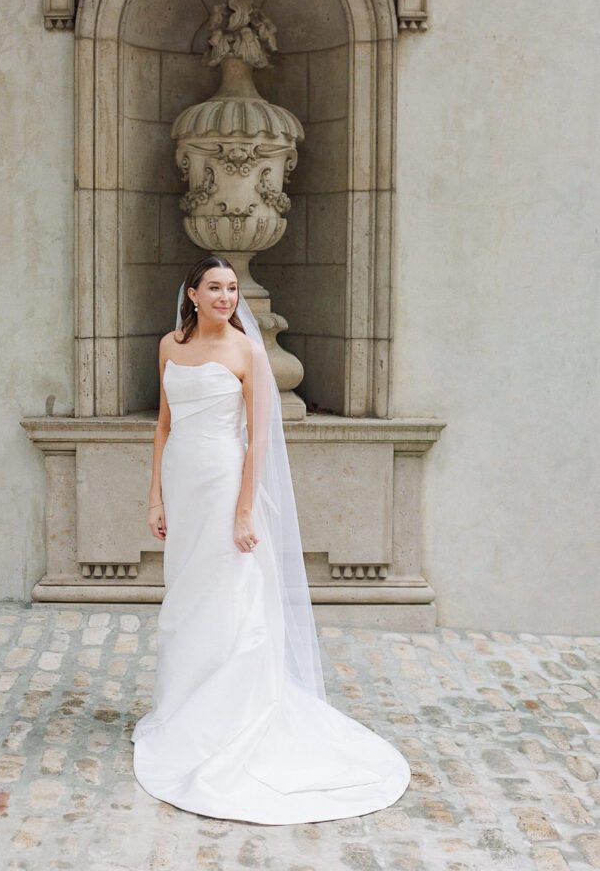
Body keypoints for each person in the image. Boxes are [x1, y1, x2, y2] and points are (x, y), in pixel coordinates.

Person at [130, 254, 411, 824]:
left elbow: (259, 438)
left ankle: (232, 715)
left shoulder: (247, 351)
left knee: (229, 595)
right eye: (215, 287)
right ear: (192, 293)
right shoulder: (169, 345)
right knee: (185, 598)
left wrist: (243, 511)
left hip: (225, 482)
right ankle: (184, 709)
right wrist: (155, 496)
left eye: (232, 288)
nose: (226, 297)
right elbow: (163, 425)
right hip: (184, 483)